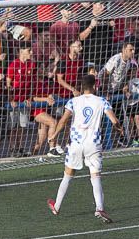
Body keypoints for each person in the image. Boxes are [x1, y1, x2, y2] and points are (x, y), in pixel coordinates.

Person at [47, 74, 121, 223]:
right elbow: (114, 120)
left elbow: (63, 121)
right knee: (95, 176)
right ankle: (99, 208)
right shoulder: (102, 101)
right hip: (93, 144)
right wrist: (120, 129)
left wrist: (54, 135)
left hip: (76, 143)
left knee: (68, 175)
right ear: (94, 86)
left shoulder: (73, 101)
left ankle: (57, 206)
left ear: (82, 87)